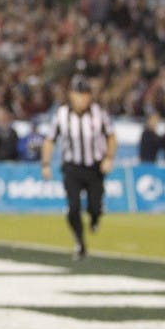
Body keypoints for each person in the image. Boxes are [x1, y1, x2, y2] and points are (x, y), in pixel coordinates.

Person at [40, 75, 117, 260]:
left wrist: (108, 158)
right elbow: (50, 140)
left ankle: (95, 218)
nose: (81, 99)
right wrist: (45, 163)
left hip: (94, 167)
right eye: (78, 94)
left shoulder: (99, 113)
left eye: (85, 94)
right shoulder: (61, 115)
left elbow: (111, 137)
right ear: (71, 95)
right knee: (73, 207)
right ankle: (80, 243)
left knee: (95, 206)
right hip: (72, 167)